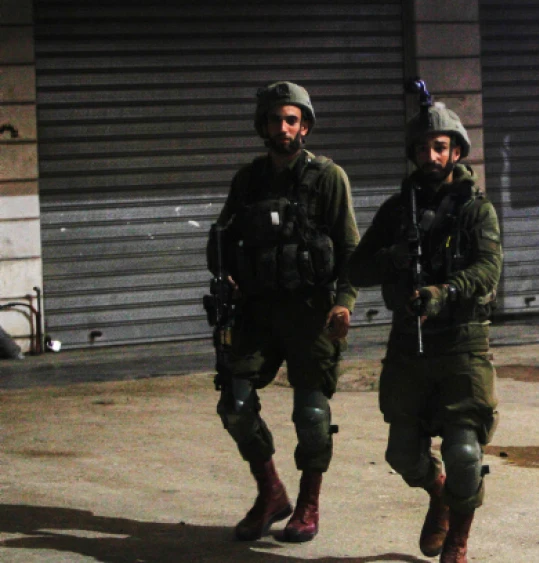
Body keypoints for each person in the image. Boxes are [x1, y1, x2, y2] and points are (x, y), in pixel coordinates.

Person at [348, 100, 501, 563]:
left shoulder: (476, 210)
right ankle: (440, 497)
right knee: (401, 455)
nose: (431, 157)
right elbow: (356, 267)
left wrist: (445, 291)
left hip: (461, 343)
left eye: (440, 147)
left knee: (464, 454)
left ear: (456, 151)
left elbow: (489, 270)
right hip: (407, 348)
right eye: (423, 148)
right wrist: (394, 256)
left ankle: (457, 539)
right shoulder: (397, 210)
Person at [209, 81, 359, 541]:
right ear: (264, 126)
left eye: (291, 119)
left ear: (305, 126)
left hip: (310, 311)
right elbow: (222, 240)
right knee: (235, 405)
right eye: (275, 119)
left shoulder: (327, 177)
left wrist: (344, 302)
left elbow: (350, 247)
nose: (283, 127)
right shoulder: (249, 180)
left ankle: (309, 505)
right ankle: (271, 491)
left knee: (311, 415)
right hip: (256, 310)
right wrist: (226, 274)